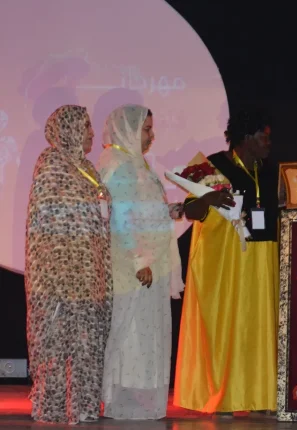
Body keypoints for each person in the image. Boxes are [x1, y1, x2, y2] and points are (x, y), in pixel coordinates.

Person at [174, 110, 279, 415]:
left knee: (257, 328)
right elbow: (191, 212)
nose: (269, 143)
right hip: (224, 263)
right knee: (226, 328)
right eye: (264, 137)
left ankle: (260, 396)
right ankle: (223, 397)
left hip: (261, 261)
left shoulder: (270, 171)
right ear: (246, 138)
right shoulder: (214, 165)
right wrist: (208, 200)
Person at [24, 105, 112, 424]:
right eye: (86, 126)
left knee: (87, 341)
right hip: (58, 274)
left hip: (89, 272)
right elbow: (46, 217)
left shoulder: (88, 168)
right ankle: (54, 406)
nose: (92, 133)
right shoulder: (50, 164)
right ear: (69, 130)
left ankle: (83, 406)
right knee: (57, 342)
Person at [97, 105, 184, 419]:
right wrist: (139, 261)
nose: (151, 135)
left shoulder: (136, 163)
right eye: (146, 129)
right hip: (134, 268)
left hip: (149, 264)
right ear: (128, 130)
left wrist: (171, 211)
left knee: (147, 335)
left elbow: (143, 211)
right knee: (131, 335)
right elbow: (121, 219)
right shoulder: (118, 165)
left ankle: (143, 403)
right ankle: (126, 404)